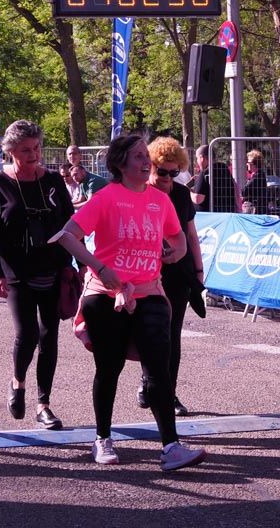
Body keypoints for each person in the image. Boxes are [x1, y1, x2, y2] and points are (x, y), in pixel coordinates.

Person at [54, 133, 205, 471]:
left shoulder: (159, 199)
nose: (145, 162)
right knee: (109, 368)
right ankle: (102, 438)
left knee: (159, 369)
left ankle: (171, 446)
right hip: (105, 296)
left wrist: (175, 252)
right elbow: (66, 235)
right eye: (138, 156)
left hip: (149, 292)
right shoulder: (107, 198)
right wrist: (100, 268)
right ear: (121, 164)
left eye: (145, 155)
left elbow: (178, 236)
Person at [0, 120, 75, 430]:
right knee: (28, 335)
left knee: (50, 337)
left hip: (52, 269)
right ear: (10, 152)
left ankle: (44, 404)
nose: (33, 155)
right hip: (17, 273)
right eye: (25, 150)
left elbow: (69, 224)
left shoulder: (53, 182)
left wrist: (76, 264)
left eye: (36, 148)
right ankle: (17, 381)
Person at [140, 137, 206, 416]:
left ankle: (169, 393)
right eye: (162, 171)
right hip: (148, 272)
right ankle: (147, 382)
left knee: (172, 335)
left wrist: (199, 272)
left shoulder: (180, 195)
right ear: (151, 167)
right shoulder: (140, 193)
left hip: (180, 273)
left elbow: (191, 234)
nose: (168, 177)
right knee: (149, 332)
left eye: (174, 171)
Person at [191, 144, 237, 214]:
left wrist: (189, 192)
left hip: (209, 218)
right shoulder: (224, 169)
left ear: (202, 158)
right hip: (227, 214)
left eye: (197, 158)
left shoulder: (205, 172)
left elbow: (198, 199)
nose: (197, 161)